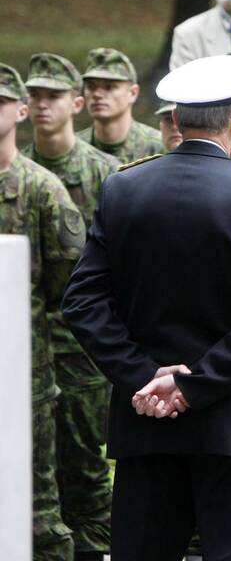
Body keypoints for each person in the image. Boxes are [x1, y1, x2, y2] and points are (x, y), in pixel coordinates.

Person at [62, 55, 231, 560]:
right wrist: (193, 385)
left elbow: (82, 302)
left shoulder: (124, 188)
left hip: (146, 418)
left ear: (174, 120)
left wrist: (143, 378)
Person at [23, 53, 118, 561]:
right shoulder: (14, 169)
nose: (43, 104)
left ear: (76, 105)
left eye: (53, 96)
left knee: (84, 468)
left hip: (83, 348)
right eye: (35, 96)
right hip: (24, 350)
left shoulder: (107, 175)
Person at [1, 62, 84, 561]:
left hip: (26, 367)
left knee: (38, 505)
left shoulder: (41, 188)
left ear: (21, 111)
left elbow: (66, 286)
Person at [76, 48, 165, 164]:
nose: (97, 94)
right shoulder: (73, 147)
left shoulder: (159, 148)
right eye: (91, 87)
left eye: (109, 87)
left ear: (133, 93)